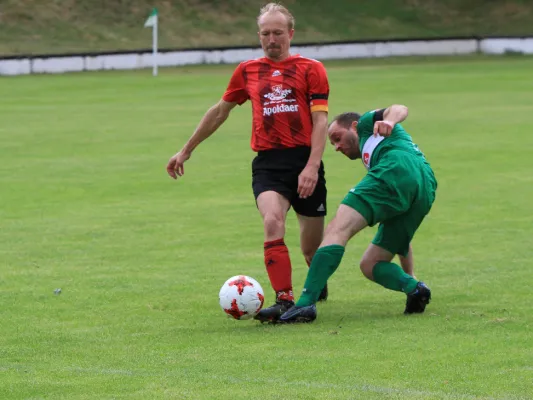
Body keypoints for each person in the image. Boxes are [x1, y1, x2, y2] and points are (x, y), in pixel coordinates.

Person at [166, 2, 331, 322]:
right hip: (268, 164)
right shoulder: (247, 71)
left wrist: (311, 166)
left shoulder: (312, 69)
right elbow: (219, 111)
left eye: (278, 33)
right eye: (266, 33)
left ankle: (316, 283)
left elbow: (321, 122)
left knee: (312, 250)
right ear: (259, 36)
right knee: (272, 222)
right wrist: (186, 150)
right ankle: (285, 299)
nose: (272, 39)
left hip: (304, 159)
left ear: (291, 34)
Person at [279, 104, 438, 323]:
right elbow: (403, 242)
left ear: (354, 127)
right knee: (370, 265)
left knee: (337, 230)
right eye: (333, 143)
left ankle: (305, 304)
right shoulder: (378, 150)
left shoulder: (366, 125)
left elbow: (399, 108)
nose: (336, 146)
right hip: (425, 185)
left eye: (337, 137)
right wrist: (410, 276)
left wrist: (390, 121)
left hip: (396, 168)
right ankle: (415, 289)